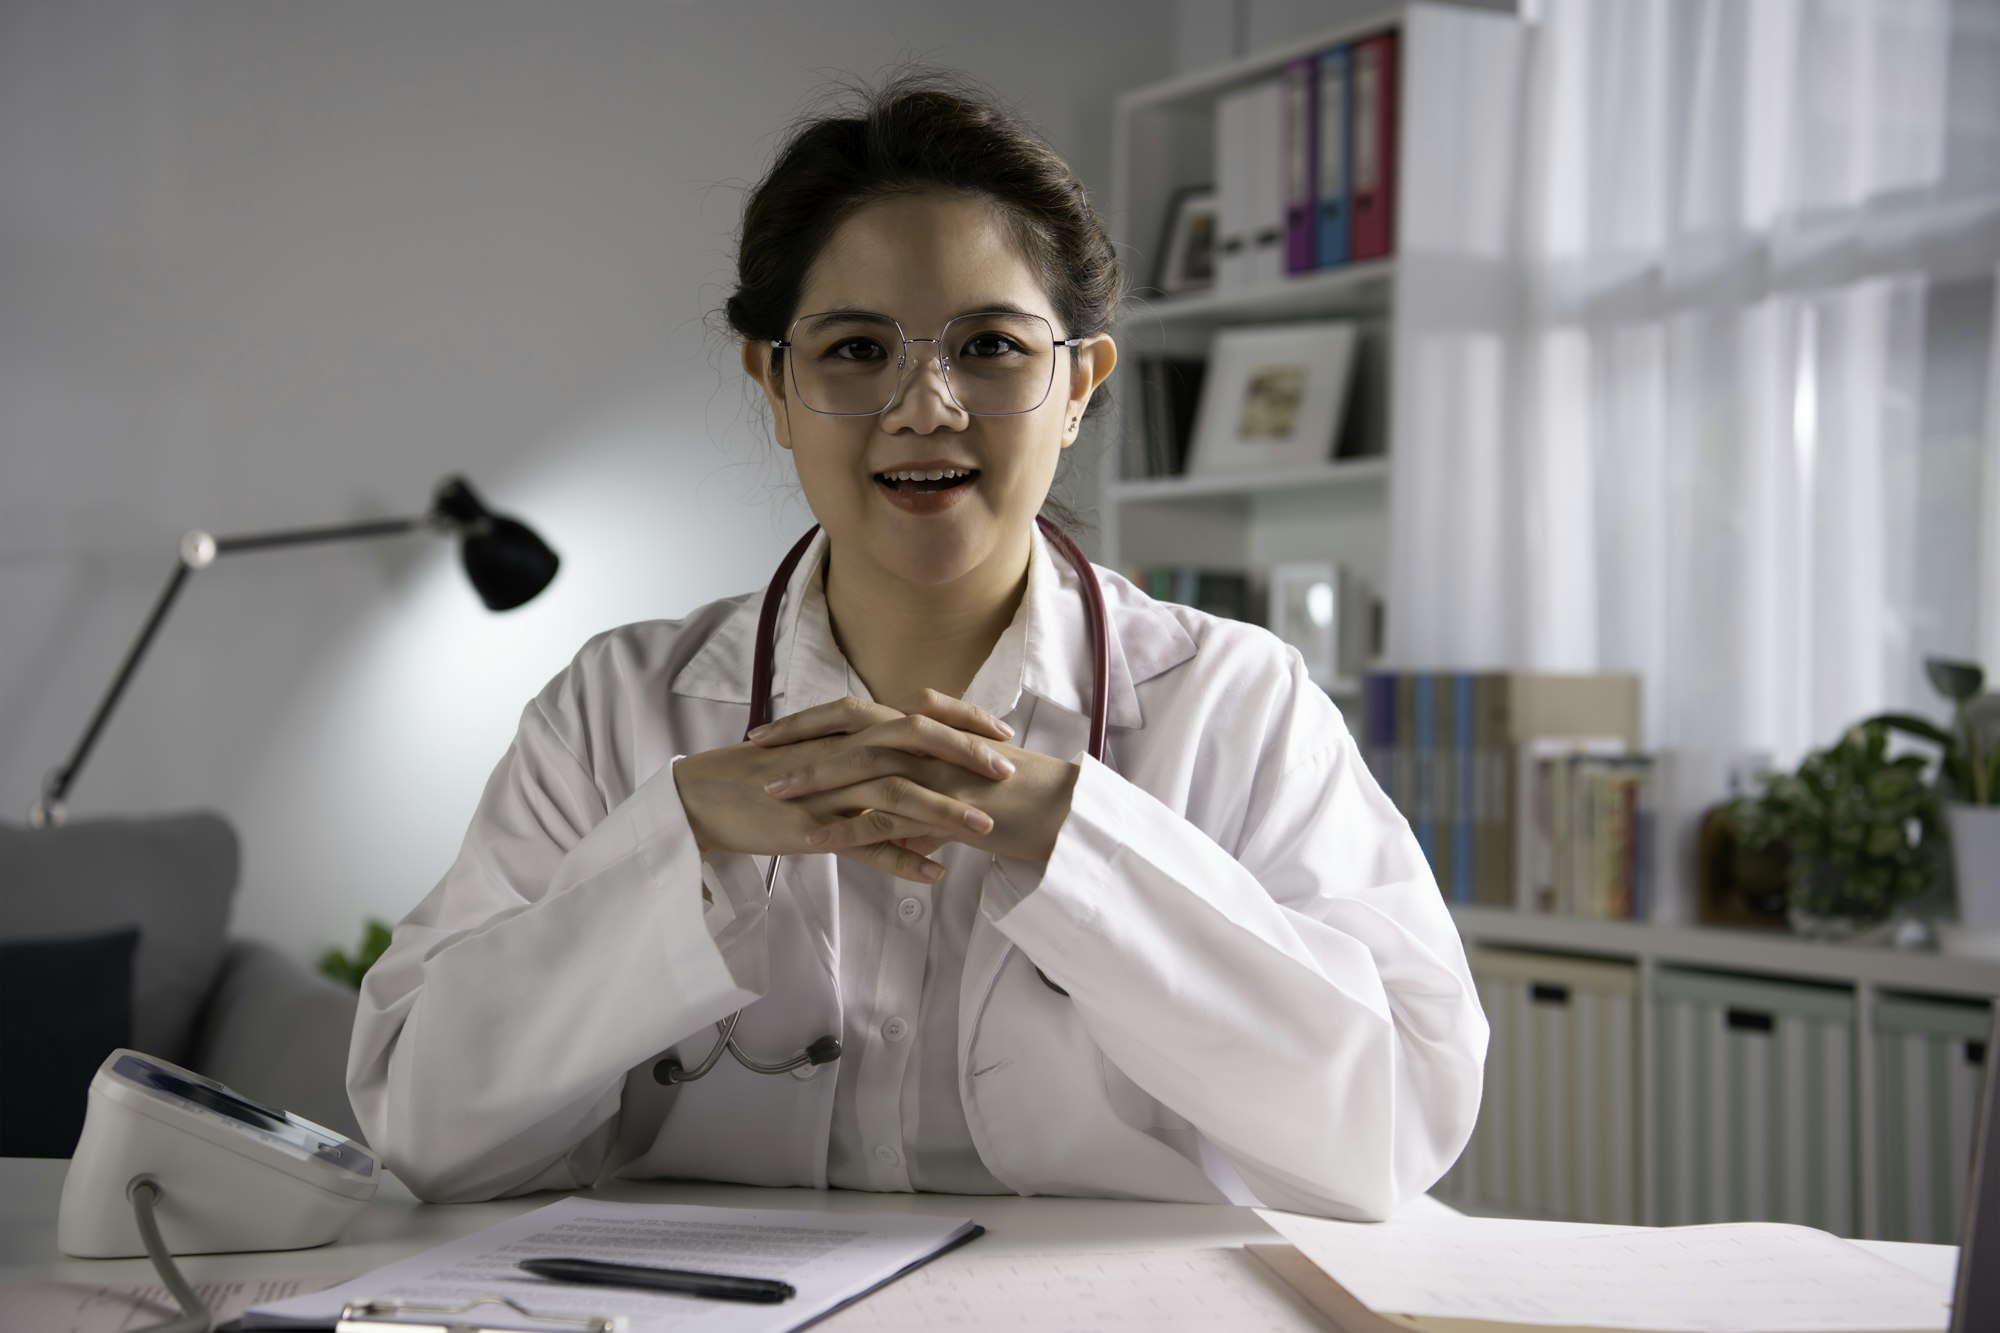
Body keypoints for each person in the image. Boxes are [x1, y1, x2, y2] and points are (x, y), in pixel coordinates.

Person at [347, 69, 1488, 1220]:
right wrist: (679, 842)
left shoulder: (1230, 703)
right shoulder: (612, 713)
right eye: (854, 349)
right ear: (775, 384)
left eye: (989, 345)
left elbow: (1394, 1131)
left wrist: (1070, 835)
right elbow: (421, 1128)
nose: (925, 404)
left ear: (1078, 383)